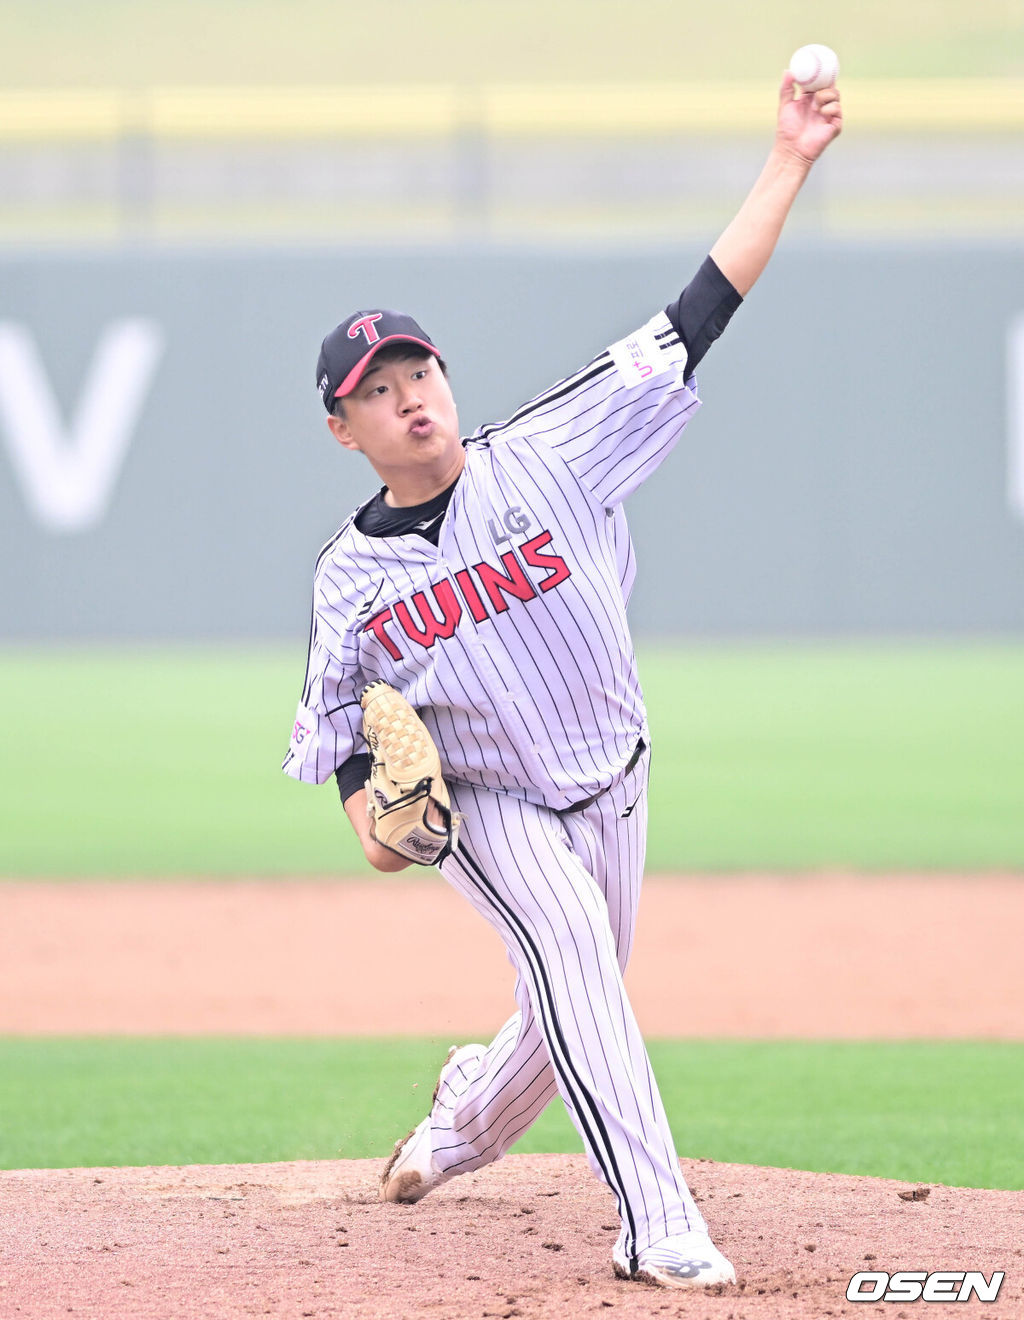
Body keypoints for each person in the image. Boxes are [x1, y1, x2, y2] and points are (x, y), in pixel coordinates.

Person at [283, 73, 842, 1290]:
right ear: (343, 428)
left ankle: (460, 1120)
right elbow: (336, 737)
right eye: (373, 392)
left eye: (415, 373)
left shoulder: (549, 453)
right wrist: (375, 830)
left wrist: (789, 162)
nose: (406, 398)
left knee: (563, 1002)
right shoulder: (347, 579)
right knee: (578, 960)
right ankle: (654, 1222)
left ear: (444, 377)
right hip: (490, 803)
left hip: (614, 775)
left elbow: (694, 317)